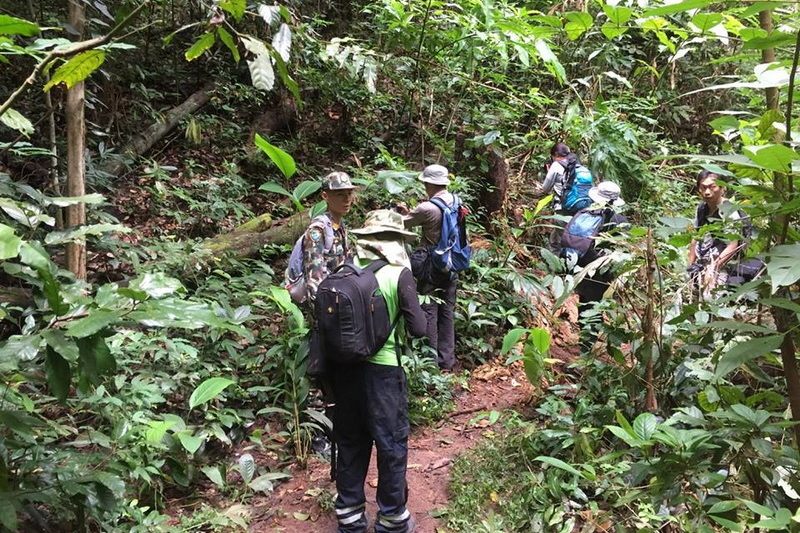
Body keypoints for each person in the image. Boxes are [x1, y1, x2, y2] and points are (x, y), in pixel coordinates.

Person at [331, 210, 426, 533]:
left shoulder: (343, 271)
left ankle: (349, 514)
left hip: (343, 372)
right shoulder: (398, 275)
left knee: (351, 441)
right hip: (383, 373)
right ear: (395, 242)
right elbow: (418, 329)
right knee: (391, 443)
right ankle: (391, 517)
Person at [397, 164, 459, 371]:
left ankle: (430, 364)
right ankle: (447, 361)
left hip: (431, 265)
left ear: (429, 183)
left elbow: (403, 224)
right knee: (447, 311)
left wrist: (400, 213)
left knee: (430, 311)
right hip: (451, 264)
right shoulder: (456, 202)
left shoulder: (427, 208)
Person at [571, 181, 628, 351]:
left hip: (583, 265)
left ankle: (586, 343)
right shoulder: (620, 221)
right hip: (604, 270)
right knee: (595, 304)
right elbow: (624, 249)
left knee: (586, 303)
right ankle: (587, 346)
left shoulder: (587, 213)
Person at [687, 170, 750, 299]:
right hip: (703, 260)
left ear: (722, 188)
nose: (707, 192)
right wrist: (690, 266)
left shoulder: (729, 211)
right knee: (690, 293)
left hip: (724, 264)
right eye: (703, 187)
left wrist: (713, 268)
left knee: (710, 297)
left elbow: (733, 245)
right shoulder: (701, 209)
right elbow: (695, 237)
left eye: (712, 187)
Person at [539, 142, 572, 253]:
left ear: (555, 154)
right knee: (568, 235)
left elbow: (545, 189)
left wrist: (550, 173)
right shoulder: (576, 165)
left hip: (563, 207)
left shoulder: (556, 165)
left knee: (558, 239)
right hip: (579, 207)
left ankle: (555, 266)